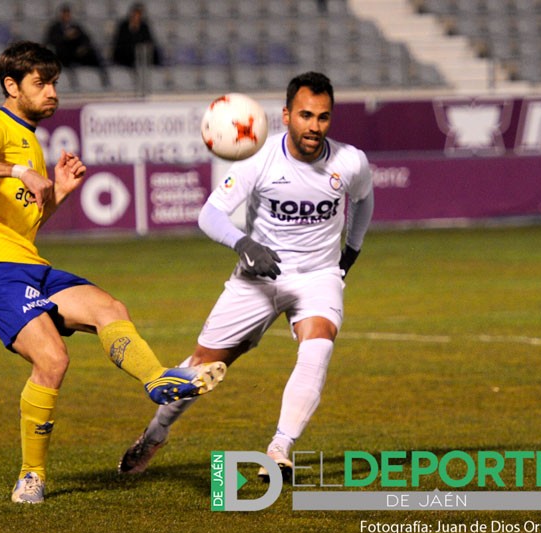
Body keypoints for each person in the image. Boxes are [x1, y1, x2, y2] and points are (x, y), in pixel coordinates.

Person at [0, 41, 225, 504]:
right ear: (11, 87)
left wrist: (59, 192)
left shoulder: (31, 142)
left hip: (25, 263)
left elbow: (25, 224)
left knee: (107, 306)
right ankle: (30, 477)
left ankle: (157, 380)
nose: (52, 92)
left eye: (54, 82)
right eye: (41, 83)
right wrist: (21, 172)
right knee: (52, 359)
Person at [118, 72, 374, 479]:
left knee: (319, 344)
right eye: (306, 115)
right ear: (286, 115)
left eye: (323, 118)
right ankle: (155, 432)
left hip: (316, 277)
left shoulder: (350, 161)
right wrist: (245, 246)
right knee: (203, 368)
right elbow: (209, 214)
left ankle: (280, 448)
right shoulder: (260, 158)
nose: (314, 126)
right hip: (256, 278)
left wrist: (352, 252)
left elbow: (363, 199)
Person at [43, 4, 109, 86]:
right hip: (64, 53)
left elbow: (86, 38)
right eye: (64, 14)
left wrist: (83, 47)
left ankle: (103, 73)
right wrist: (65, 37)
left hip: (77, 53)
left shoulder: (76, 26)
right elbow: (51, 41)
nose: (66, 16)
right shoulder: (54, 27)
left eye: (68, 14)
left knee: (92, 52)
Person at [111, 3, 161, 68]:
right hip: (126, 52)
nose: (136, 17)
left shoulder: (144, 26)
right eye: (135, 14)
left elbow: (148, 40)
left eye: (138, 14)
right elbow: (120, 41)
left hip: (141, 52)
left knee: (149, 51)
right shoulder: (123, 25)